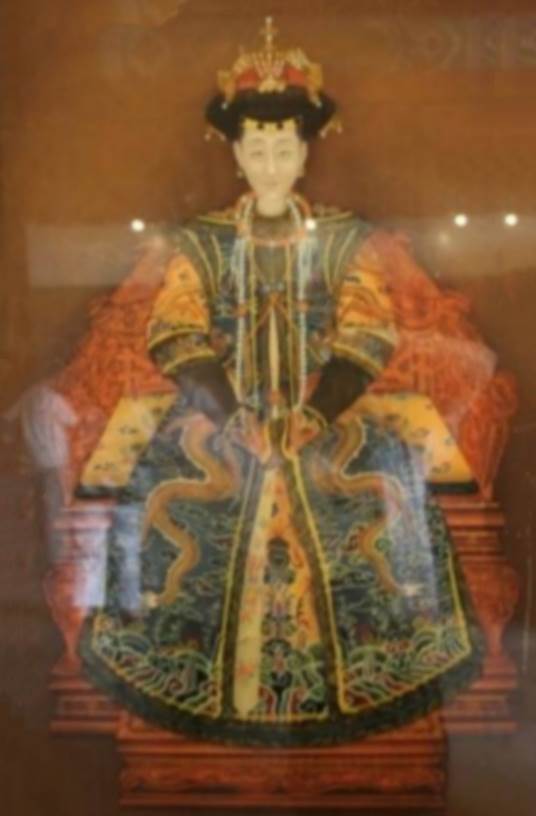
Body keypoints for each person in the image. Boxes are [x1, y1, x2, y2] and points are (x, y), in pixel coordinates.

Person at [76, 19, 484, 746]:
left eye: (284, 150)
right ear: (236, 154)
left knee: (379, 493)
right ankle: (180, 673)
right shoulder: (202, 241)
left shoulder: (343, 238)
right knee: (177, 497)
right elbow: (175, 331)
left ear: (304, 152)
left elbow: (367, 331)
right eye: (257, 150)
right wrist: (232, 415)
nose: (271, 165)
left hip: (325, 415)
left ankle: (376, 671)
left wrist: (315, 413)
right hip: (218, 419)